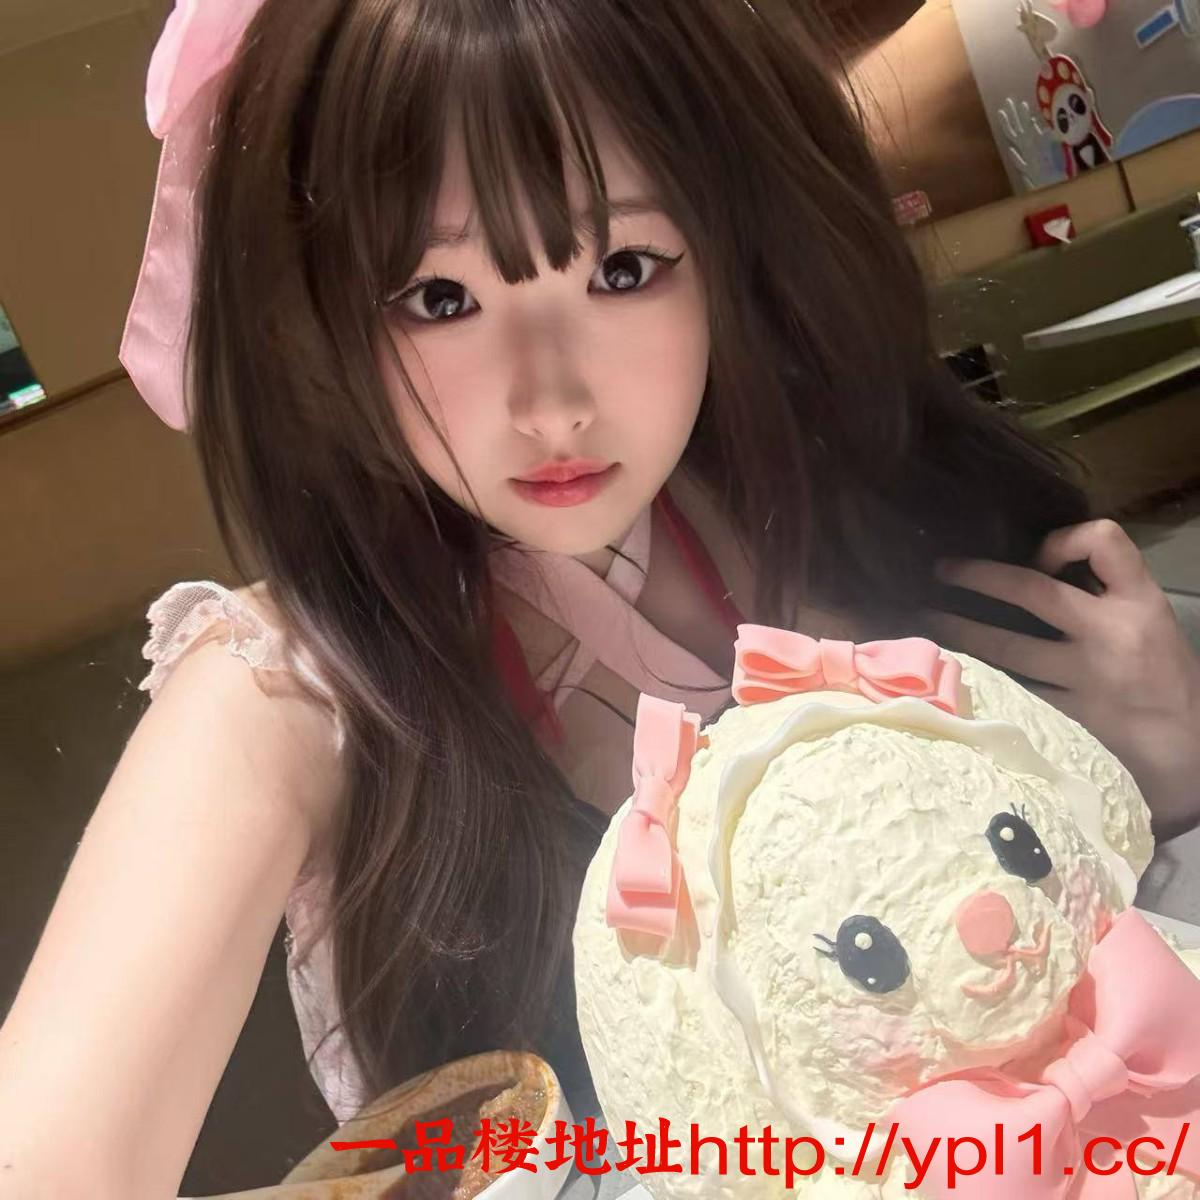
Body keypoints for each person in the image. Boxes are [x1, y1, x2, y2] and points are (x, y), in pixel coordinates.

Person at [2, 0, 1198, 1195]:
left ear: (732, 244)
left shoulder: (837, 495)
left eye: (623, 268)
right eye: (437, 298)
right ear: (315, 317)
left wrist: (1169, 776)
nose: (552, 403)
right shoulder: (290, 695)